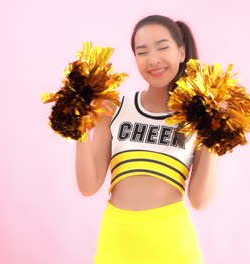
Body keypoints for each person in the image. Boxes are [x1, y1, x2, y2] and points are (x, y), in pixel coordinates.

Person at [76, 15, 217, 264]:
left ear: (181, 52)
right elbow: (88, 186)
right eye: (142, 52)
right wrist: (78, 126)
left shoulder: (197, 117)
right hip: (117, 243)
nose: (153, 59)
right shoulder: (116, 108)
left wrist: (215, 134)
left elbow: (200, 200)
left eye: (163, 47)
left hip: (173, 246)